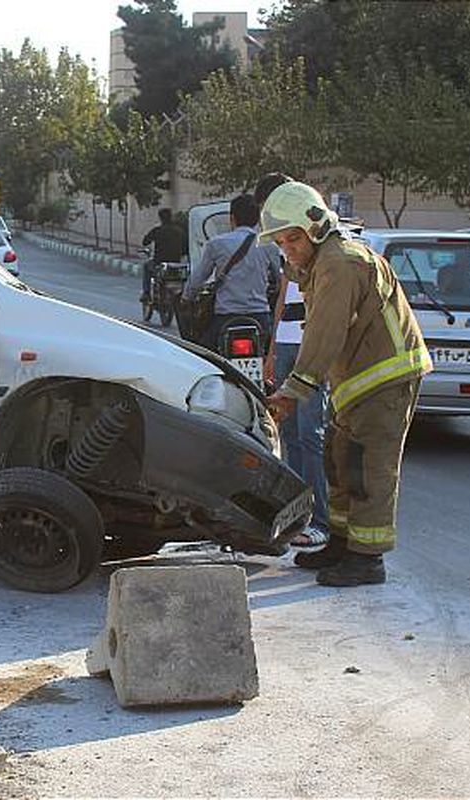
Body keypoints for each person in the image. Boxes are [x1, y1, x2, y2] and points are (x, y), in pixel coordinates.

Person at [260, 181, 431, 587]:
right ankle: (341, 543)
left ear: (315, 227)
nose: (288, 249)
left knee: (369, 468)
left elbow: (325, 332)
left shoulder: (340, 262)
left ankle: (367, 559)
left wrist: (292, 392)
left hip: (384, 381)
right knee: (340, 462)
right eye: (282, 242)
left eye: (293, 239)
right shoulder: (321, 262)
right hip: (357, 383)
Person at [256, 173, 330, 551]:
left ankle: (320, 520)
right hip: (286, 347)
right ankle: (297, 514)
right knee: (289, 436)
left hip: (311, 352)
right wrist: (271, 351)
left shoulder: (323, 245)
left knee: (310, 436)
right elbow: (283, 300)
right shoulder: (290, 249)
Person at [181, 193, 281, 352]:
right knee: (271, 354)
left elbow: (198, 278)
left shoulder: (216, 244)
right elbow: (279, 278)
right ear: (258, 219)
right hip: (260, 318)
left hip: (225, 318)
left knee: (203, 354)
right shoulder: (269, 245)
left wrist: (187, 298)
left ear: (232, 218)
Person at [140, 208, 187, 303]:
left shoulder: (157, 230)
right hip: (175, 263)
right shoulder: (179, 231)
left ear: (160, 218)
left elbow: (145, 242)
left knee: (146, 266)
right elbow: (186, 248)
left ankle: (146, 293)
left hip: (159, 262)